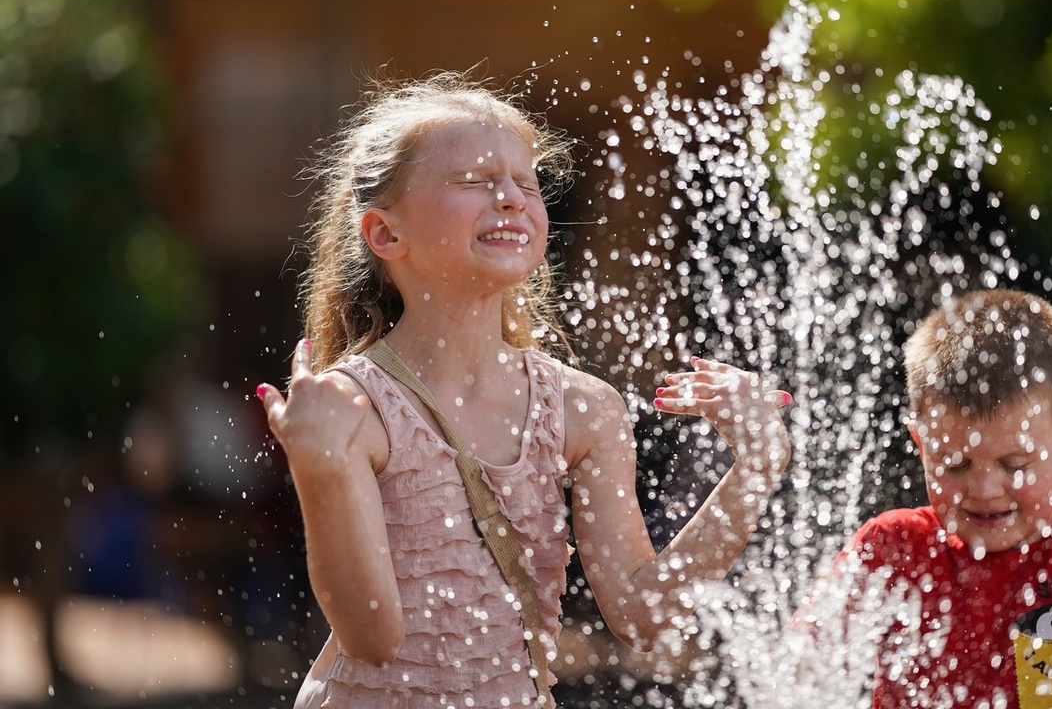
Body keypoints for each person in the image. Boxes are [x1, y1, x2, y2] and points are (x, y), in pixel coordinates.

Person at [255, 73, 793, 708]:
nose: (510, 197)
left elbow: (644, 617)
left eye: (526, 182)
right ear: (385, 234)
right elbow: (372, 639)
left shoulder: (583, 409)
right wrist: (319, 467)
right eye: (473, 181)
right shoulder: (355, 407)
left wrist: (756, 466)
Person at [794, 288, 1052, 708]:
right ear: (921, 446)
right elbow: (803, 670)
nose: (984, 490)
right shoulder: (894, 549)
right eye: (955, 464)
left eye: (1015, 465)